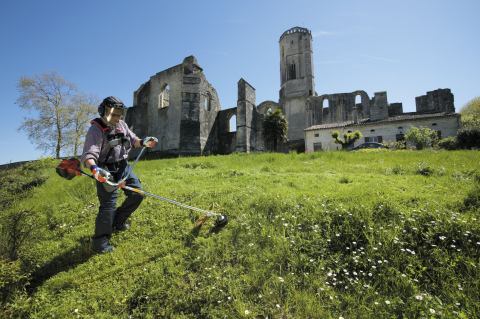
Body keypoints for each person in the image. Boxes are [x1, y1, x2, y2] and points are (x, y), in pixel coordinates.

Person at [81, 96, 157, 253]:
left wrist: (144, 142)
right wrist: (95, 170)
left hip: (123, 166)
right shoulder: (95, 130)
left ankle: (118, 222)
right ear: (104, 112)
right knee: (108, 205)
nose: (116, 118)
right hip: (104, 169)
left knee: (138, 194)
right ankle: (100, 243)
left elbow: (134, 140)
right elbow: (89, 155)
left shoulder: (122, 124)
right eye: (113, 114)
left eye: (119, 114)